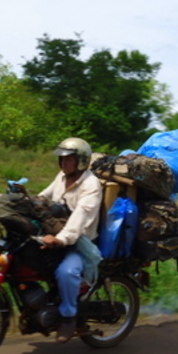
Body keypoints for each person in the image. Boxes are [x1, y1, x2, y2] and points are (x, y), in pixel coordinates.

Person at [39, 137, 103, 343]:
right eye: (62, 159)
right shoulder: (62, 176)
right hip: (57, 234)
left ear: (81, 160)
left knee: (66, 272)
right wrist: (25, 200)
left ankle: (69, 317)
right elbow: (45, 197)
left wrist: (60, 239)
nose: (63, 162)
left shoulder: (91, 184)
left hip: (79, 242)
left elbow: (80, 217)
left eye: (68, 159)